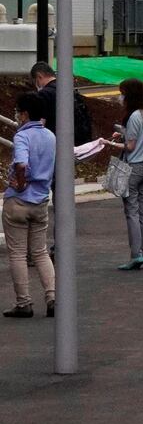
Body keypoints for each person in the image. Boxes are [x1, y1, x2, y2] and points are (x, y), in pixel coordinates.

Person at [4, 89, 55, 317]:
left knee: (17, 254)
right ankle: (52, 297)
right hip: (41, 200)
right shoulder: (51, 136)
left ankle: (24, 303)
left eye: (17, 112)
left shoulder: (22, 136)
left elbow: (21, 164)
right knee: (41, 252)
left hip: (19, 201)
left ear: (24, 114)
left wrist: (21, 183)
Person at [106, 78, 143, 269]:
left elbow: (130, 146)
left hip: (132, 167)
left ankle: (136, 254)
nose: (120, 96)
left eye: (122, 92)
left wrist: (110, 144)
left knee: (131, 212)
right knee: (142, 210)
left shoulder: (133, 116)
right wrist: (123, 133)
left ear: (129, 94)